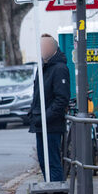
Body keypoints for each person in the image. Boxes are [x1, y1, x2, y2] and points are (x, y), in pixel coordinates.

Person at [29, 34, 70, 182]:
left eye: (45, 46)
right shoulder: (43, 67)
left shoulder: (59, 69)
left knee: (52, 162)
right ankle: (50, 192)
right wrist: (33, 114)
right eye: (41, 47)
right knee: (43, 161)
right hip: (41, 123)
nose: (42, 50)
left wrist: (45, 117)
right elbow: (37, 94)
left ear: (53, 48)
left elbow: (61, 99)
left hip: (51, 124)